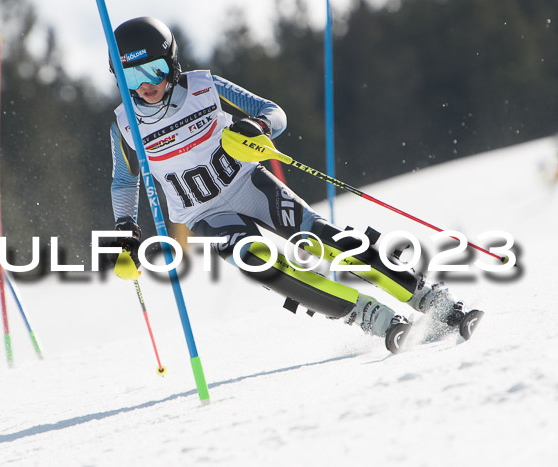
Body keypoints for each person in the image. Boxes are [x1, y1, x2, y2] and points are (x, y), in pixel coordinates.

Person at [107, 16, 473, 353]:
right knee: (261, 264)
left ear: (171, 65)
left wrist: (259, 126)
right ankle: (372, 318)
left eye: (153, 70)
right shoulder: (124, 125)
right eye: (130, 78)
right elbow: (125, 179)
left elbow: (273, 112)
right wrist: (126, 227)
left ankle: (431, 301)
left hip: (250, 185)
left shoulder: (205, 87)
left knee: (326, 240)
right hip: (204, 214)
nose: (145, 86)